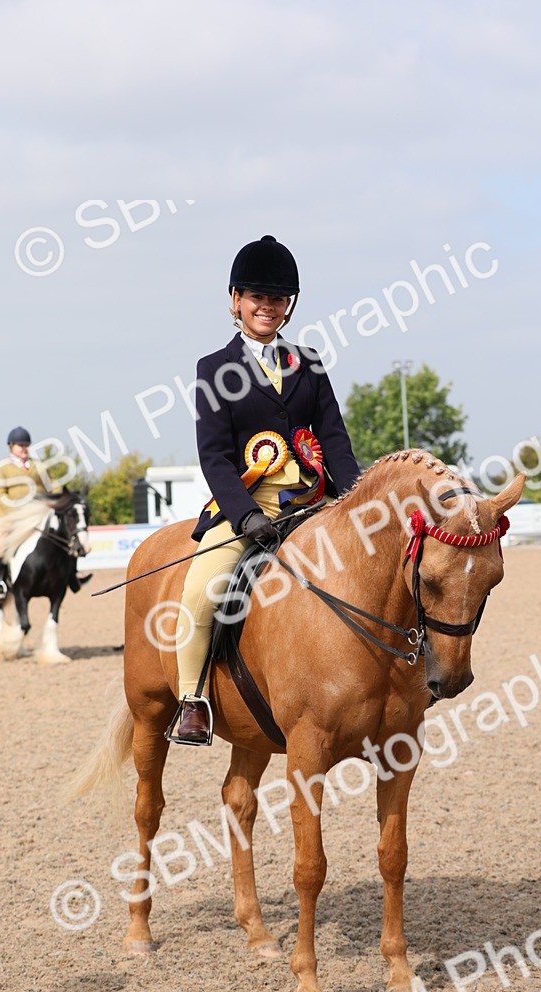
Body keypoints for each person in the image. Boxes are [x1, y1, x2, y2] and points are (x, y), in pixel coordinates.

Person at [171, 234, 361, 746]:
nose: (267, 307)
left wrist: (357, 499)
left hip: (310, 502)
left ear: (288, 306)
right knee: (200, 591)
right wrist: (242, 514)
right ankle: (192, 701)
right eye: (257, 297)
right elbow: (213, 455)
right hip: (247, 507)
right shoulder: (214, 369)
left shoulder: (310, 363)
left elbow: (334, 440)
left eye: (277, 299)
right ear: (236, 300)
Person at [0, 427, 48, 598]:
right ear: (11, 446)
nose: (24, 448)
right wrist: (17, 513)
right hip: (9, 516)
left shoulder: (38, 466)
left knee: (62, 533)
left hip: (37, 515)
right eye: (20, 445)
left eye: (26, 445)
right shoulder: (1, 469)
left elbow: (52, 484)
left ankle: (70, 575)